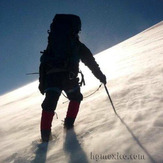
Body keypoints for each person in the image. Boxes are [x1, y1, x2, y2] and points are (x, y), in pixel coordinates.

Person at [39, 14, 106, 142]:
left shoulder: (52, 43)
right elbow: (91, 62)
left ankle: (45, 138)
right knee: (75, 98)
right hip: (69, 78)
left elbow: (43, 63)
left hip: (51, 77)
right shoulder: (77, 45)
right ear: (76, 29)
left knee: (49, 104)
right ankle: (69, 127)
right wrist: (101, 76)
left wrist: (42, 83)